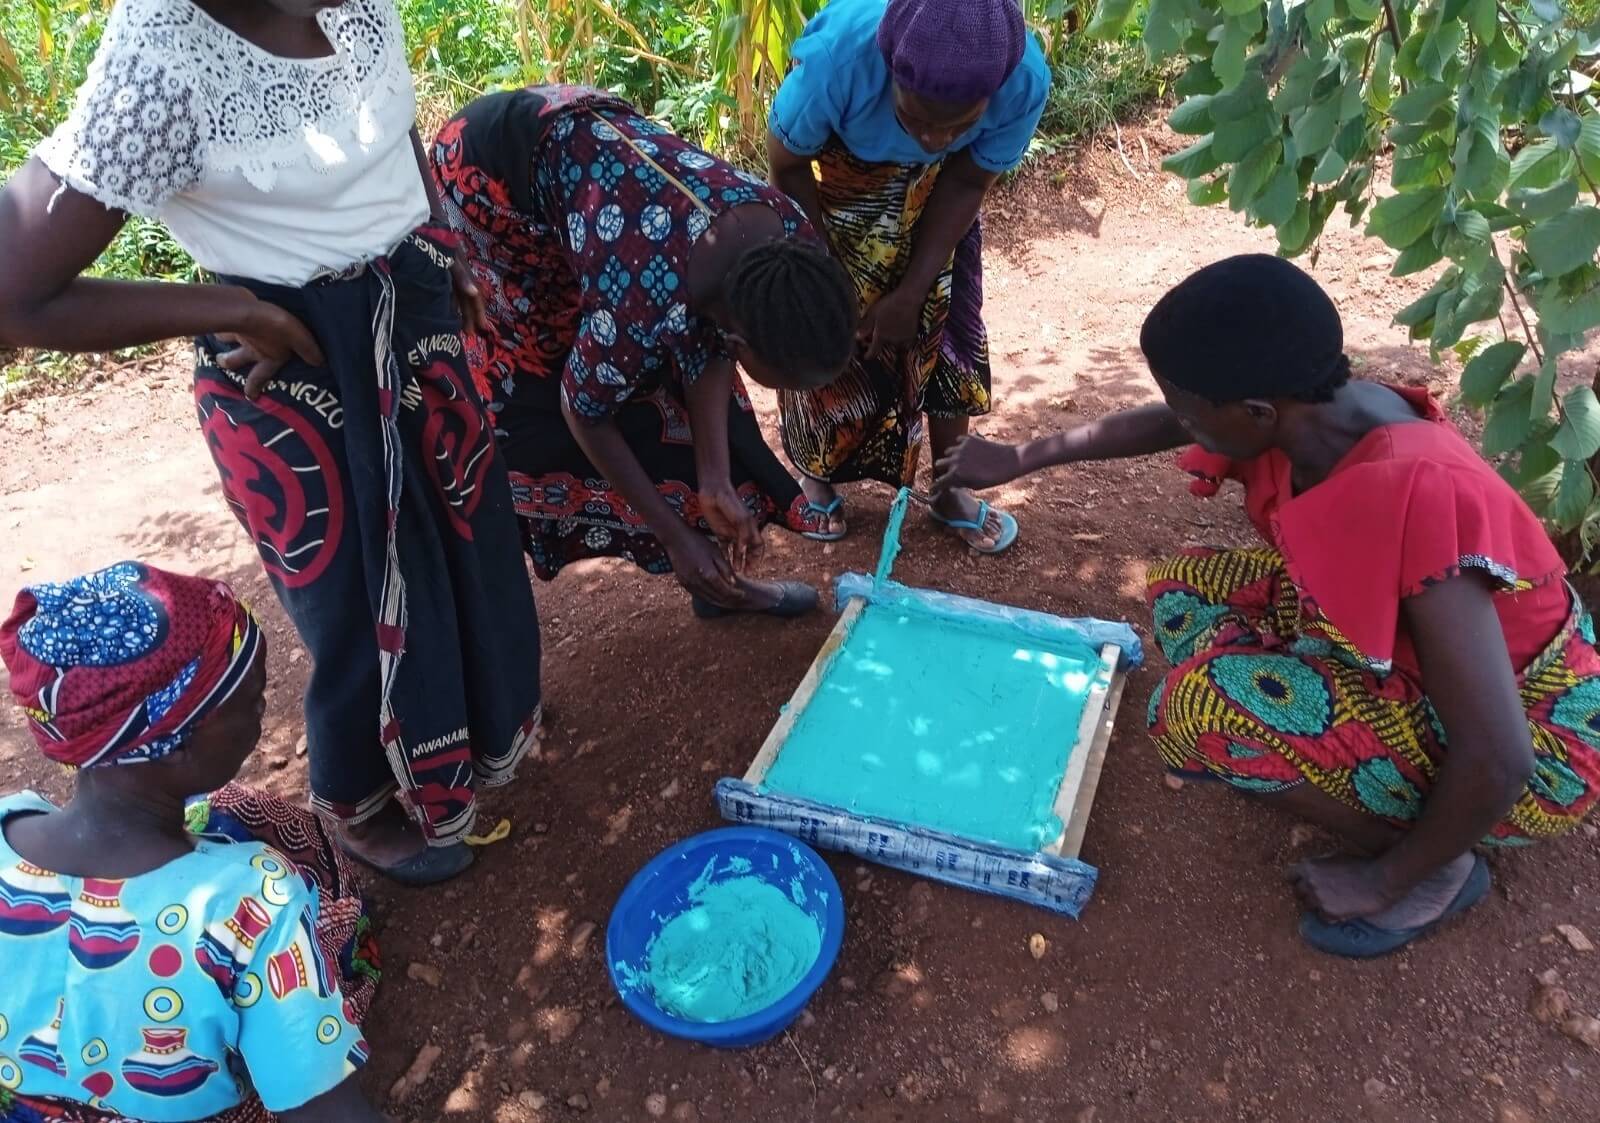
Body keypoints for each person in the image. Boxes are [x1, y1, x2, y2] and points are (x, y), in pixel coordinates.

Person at [0, 0, 543, 886]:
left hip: (415, 319)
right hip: (294, 365)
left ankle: (475, 739)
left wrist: (449, 248)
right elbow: (13, 294)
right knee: (355, 606)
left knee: (469, 550)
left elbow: (392, 126)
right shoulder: (164, 66)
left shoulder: (355, 7)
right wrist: (235, 310)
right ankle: (359, 800)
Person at [934, 254, 1600, 957]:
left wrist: (1380, 879)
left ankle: (1437, 867)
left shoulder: (1418, 491)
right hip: (1427, 668)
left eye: (1190, 408)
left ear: (1255, 412)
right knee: (1182, 592)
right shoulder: (1309, 408)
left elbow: (1500, 757)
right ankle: (1321, 730)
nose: (1179, 421)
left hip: (1535, 736)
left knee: (1194, 710)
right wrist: (1020, 457)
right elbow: (1162, 425)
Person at [430, 86, 858, 619]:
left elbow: (711, 338)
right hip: (487, 180)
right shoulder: (636, 306)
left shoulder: (790, 234)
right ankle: (693, 567)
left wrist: (714, 477)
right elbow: (583, 410)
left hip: (593, 163)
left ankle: (715, 575)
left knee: (682, 394)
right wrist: (674, 537)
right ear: (743, 342)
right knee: (546, 369)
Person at [0, 561, 384, 1121]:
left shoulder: (11, 820)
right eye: (248, 698)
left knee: (239, 812)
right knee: (301, 869)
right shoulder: (251, 904)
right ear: (171, 744)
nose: (264, 705)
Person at [766, 0, 1049, 553]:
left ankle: (947, 488)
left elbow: (967, 179)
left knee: (949, 336)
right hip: (836, 197)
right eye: (914, 118)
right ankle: (816, 475)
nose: (932, 138)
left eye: (958, 125)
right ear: (890, 70)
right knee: (829, 333)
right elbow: (787, 164)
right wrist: (832, 280)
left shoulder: (1023, 80)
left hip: (941, 199)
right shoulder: (837, 61)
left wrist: (913, 289)